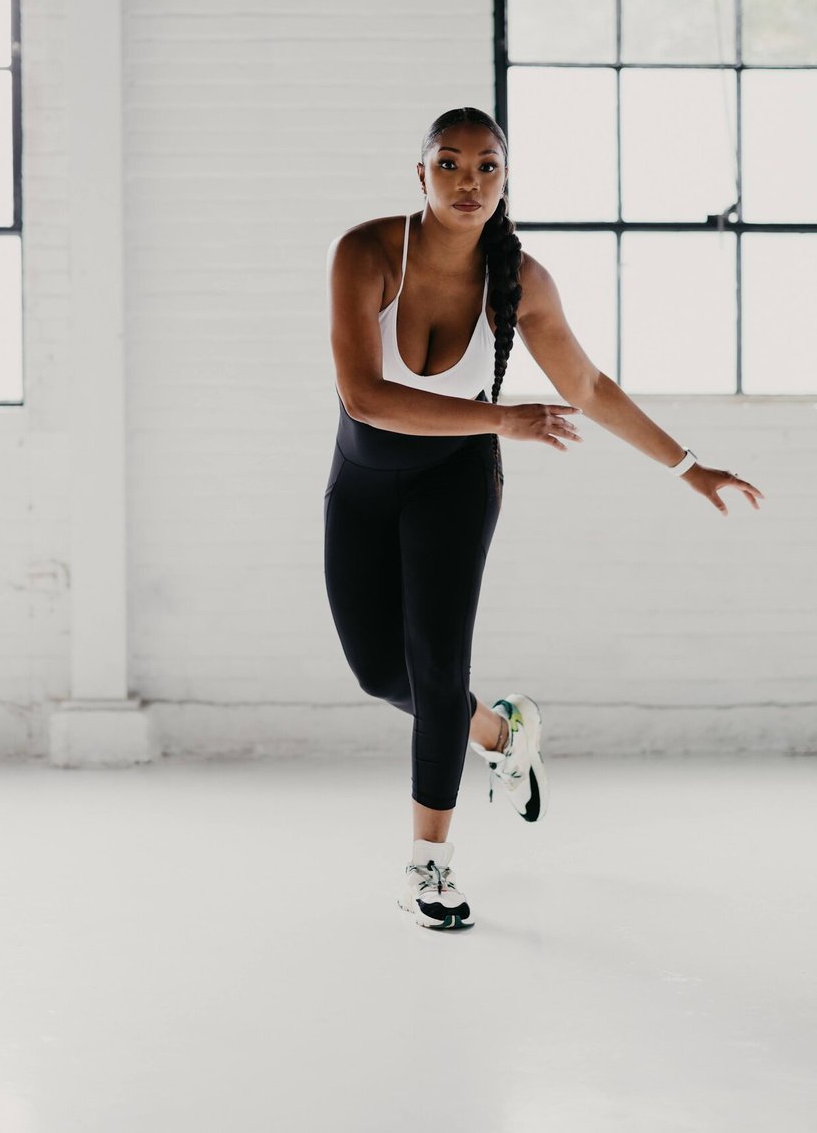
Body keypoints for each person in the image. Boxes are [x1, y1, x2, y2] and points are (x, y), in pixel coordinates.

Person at [323, 106, 766, 931]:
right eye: (449, 164)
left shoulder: (518, 280)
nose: (468, 182)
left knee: (438, 665)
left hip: (456, 485)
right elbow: (364, 396)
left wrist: (688, 465)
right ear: (418, 173)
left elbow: (589, 388)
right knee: (384, 676)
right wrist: (502, 417)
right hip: (364, 480)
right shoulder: (367, 251)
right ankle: (501, 735)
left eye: (487, 166)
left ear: (505, 178)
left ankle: (432, 864)